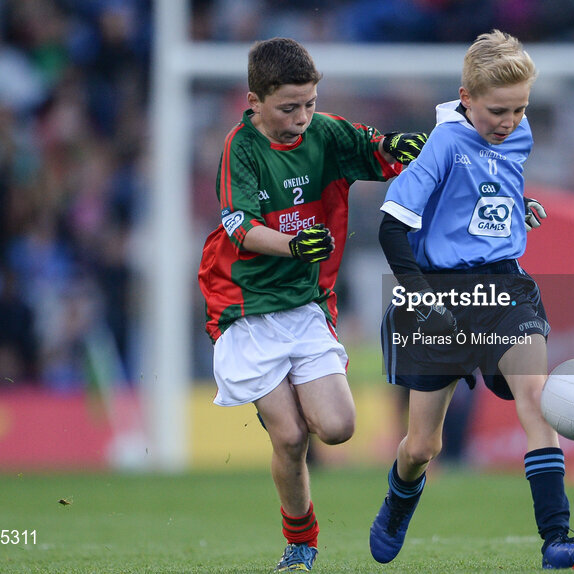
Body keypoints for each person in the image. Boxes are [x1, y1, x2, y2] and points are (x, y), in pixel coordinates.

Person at [368, 30, 574, 569]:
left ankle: (556, 541)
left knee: (537, 399)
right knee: (421, 447)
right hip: (438, 293)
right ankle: (398, 502)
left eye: (520, 109)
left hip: (504, 288)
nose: (509, 121)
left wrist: (516, 203)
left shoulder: (519, 135)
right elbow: (391, 227)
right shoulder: (442, 144)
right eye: (498, 110)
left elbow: (485, 186)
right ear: (466, 97)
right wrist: (420, 298)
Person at [197, 37, 427, 573]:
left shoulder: (325, 133)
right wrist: (295, 245)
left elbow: (378, 150)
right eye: (288, 107)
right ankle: (301, 542)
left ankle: (288, 399)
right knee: (291, 436)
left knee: (339, 427)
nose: (301, 118)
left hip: (305, 303)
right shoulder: (240, 148)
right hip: (245, 306)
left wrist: (401, 146)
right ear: (254, 102)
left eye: (309, 104)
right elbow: (240, 227)